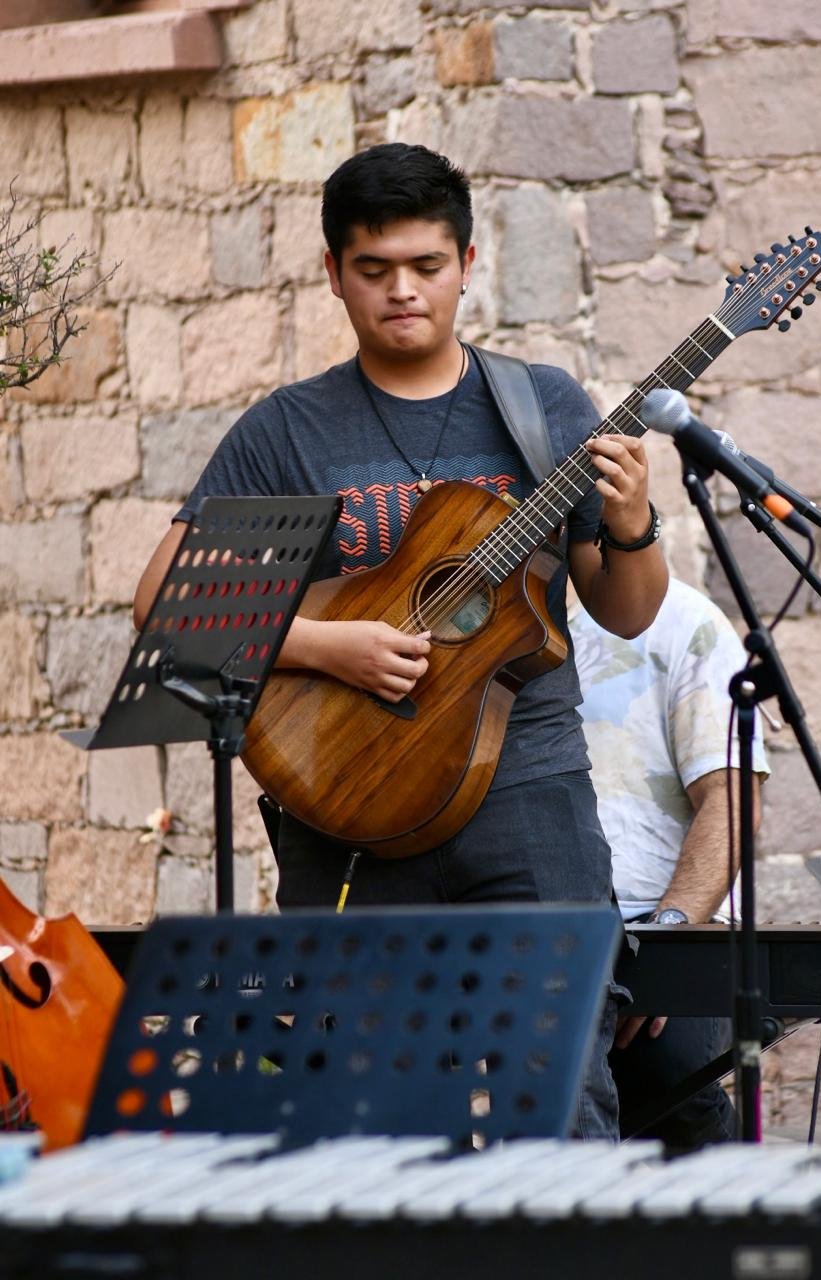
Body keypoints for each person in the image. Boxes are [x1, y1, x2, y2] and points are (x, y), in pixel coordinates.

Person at [134, 142, 669, 1139]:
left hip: (527, 801)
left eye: (426, 266)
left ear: (468, 262)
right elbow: (167, 599)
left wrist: (633, 521)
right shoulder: (287, 432)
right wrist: (325, 647)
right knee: (368, 1114)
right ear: (333, 274)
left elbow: (625, 609)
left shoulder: (540, 407)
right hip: (349, 800)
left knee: (554, 1094)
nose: (402, 292)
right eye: (374, 271)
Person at [568, 574, 770, 1147]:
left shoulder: (683, 622)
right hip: (548, 929)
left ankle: (740, 1215)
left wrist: (667, 937)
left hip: (661, 925)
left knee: (665, 1072)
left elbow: (730, 802)